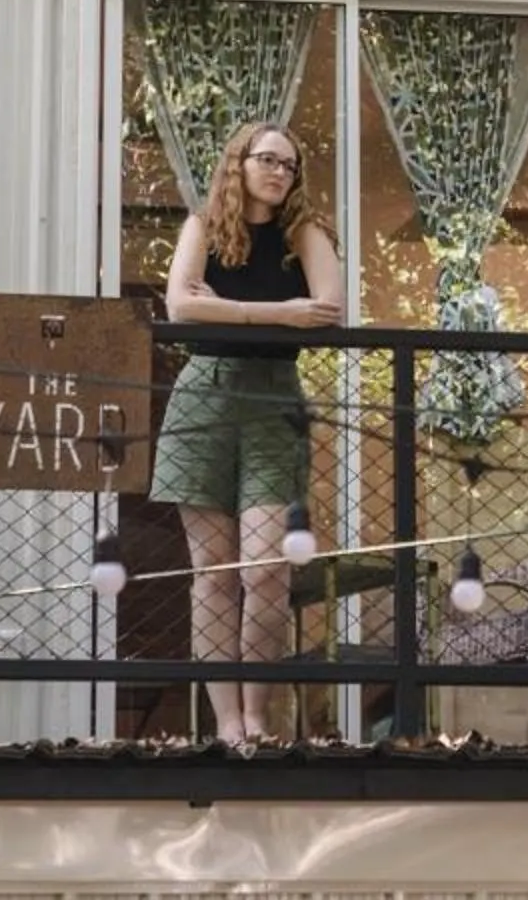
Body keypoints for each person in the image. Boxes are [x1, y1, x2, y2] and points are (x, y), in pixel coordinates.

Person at [152, 120, 344, 744]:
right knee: (211, 569)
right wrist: (275, 314)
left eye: (289, 165)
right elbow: (180, 306)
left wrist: (228, 309)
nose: (278, 173)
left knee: (265, 568)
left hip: (273, 398)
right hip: (203, 395)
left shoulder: (304, 234)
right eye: (267, 160)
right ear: (239, 163)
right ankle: (228, 722)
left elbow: (329, 309)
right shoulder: (203, 225)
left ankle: (259, 716)